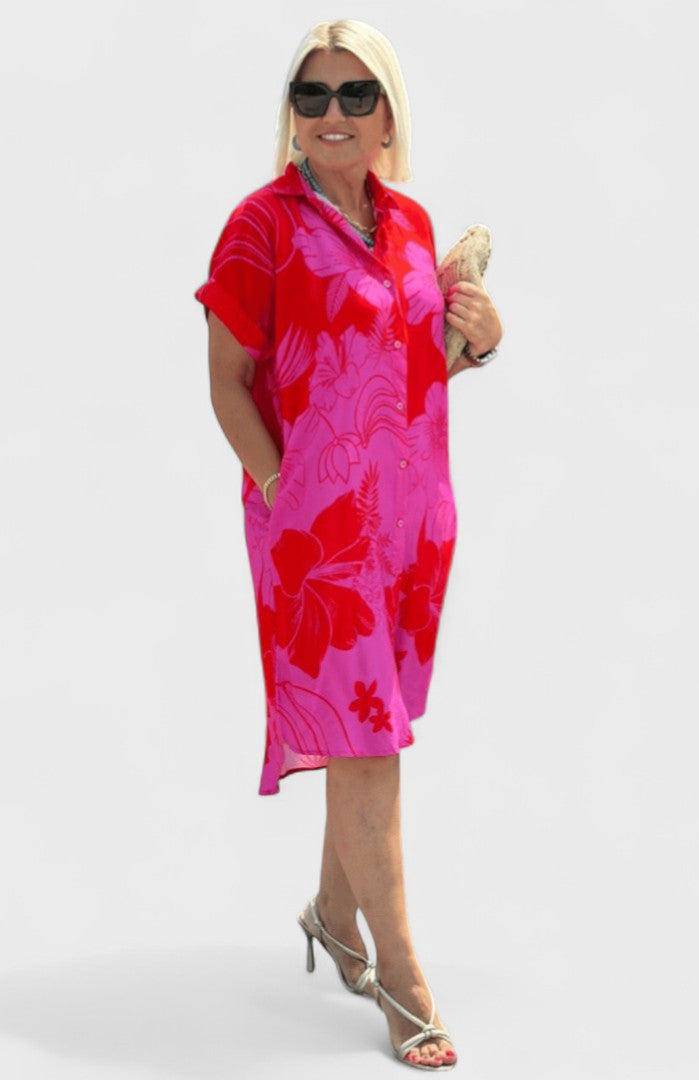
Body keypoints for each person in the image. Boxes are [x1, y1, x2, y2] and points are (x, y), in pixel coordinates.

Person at [195, 19, 502, 1072]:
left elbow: (407, 371)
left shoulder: (411, 224)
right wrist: (282, 488)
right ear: (292, 113)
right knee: (368, 741)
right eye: (312, 94)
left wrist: (478, 342)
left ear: (388, 115)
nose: (332, 113)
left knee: (371, 725)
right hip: (314, 538)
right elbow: (228, 383)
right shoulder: (260, 227)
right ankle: (405, 982)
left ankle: (332, 914)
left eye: (355, 93)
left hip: (411, 520)